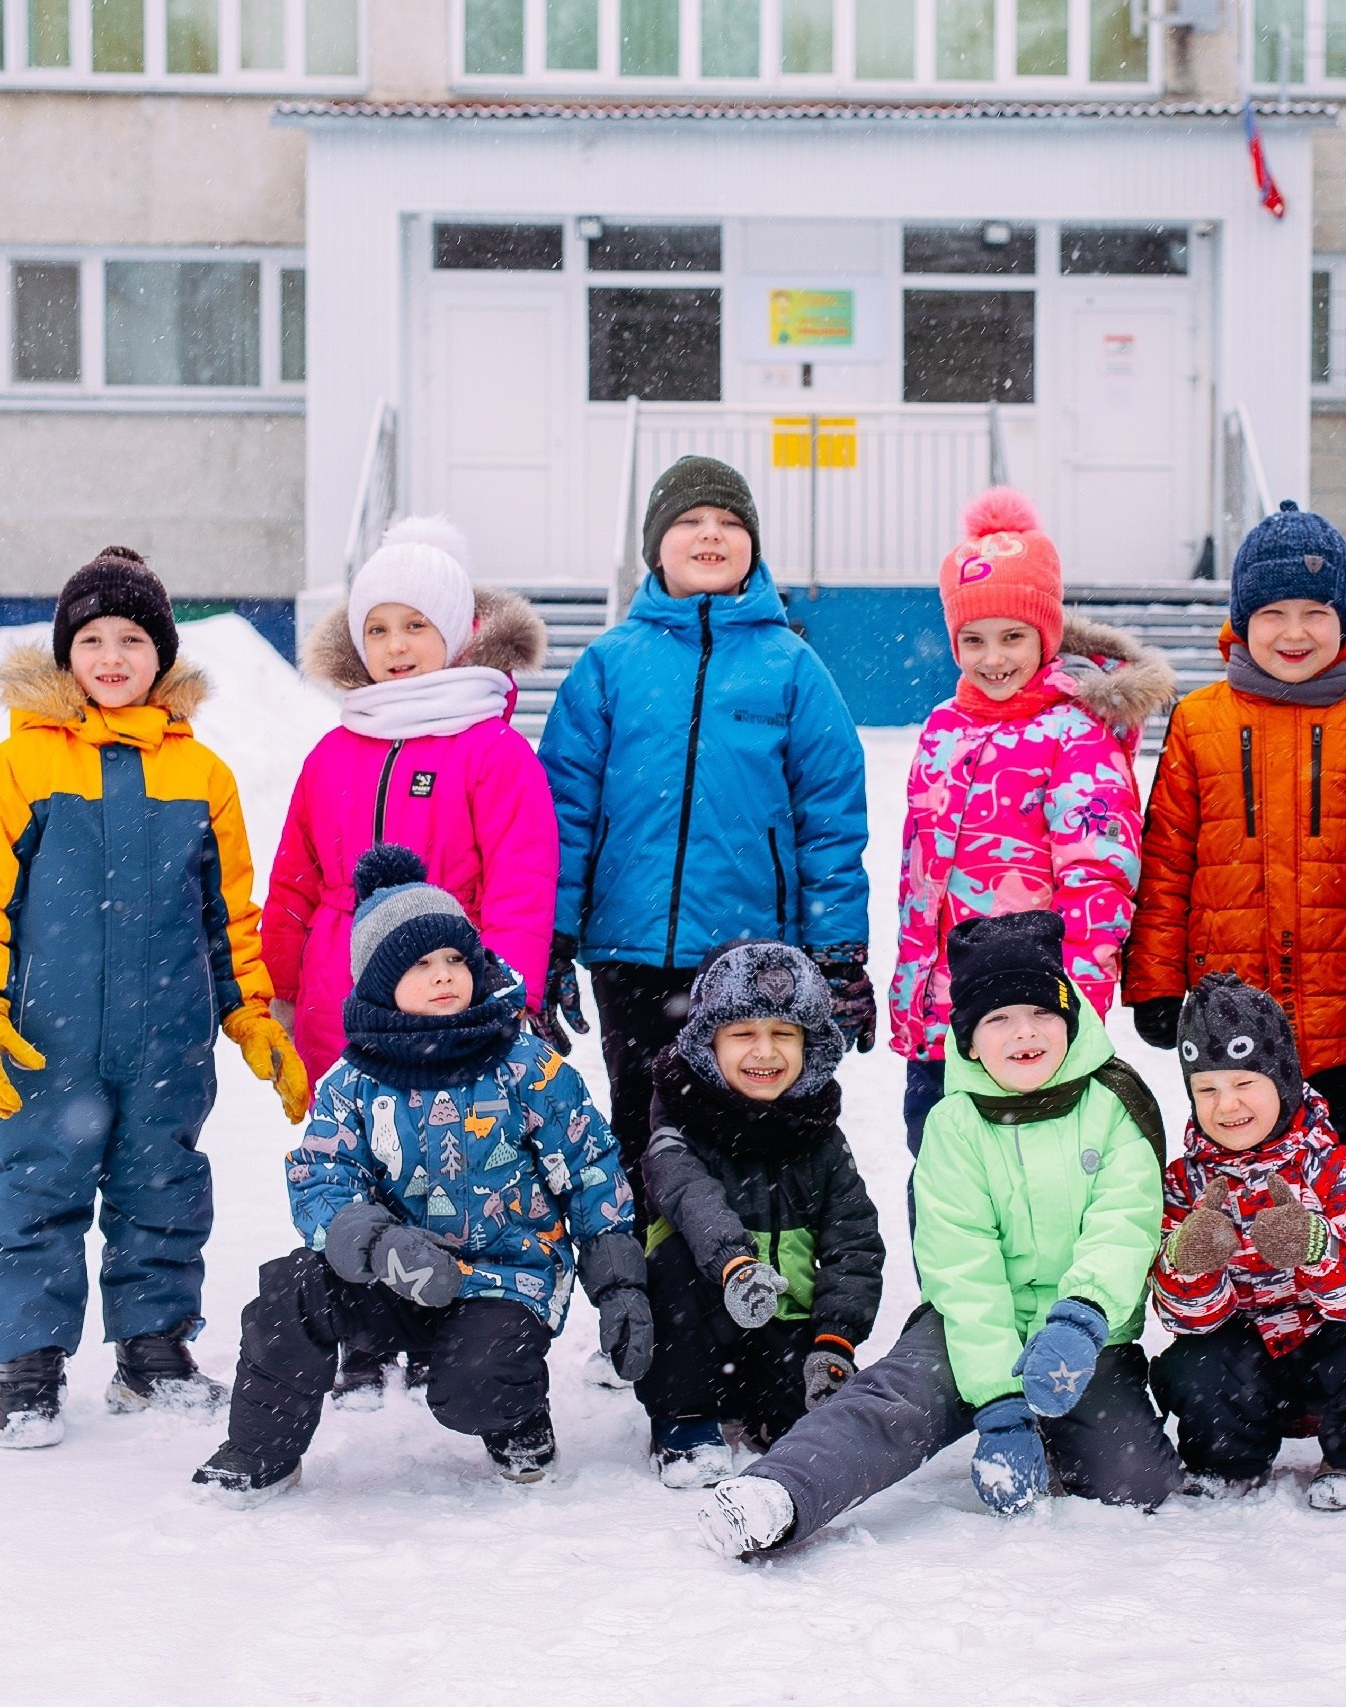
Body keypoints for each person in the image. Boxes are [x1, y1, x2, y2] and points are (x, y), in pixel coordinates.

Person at [0, 547, 303, 1449]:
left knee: (166, 1187)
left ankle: (153, 1353)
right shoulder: (15, 769)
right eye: (93, 638)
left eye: (132, 639)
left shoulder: (202, 776)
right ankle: (27, 1368)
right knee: (33, 1187)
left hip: (169, 1035)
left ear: (161, 657)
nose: (111, 656)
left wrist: (250, 1013)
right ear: (66, 654)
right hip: (47, 1035)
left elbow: (229, 913)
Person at [697, 912, 1181, 1557]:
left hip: (1084, 1330)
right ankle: (780, 1492)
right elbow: (962, 1263)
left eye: (1040, 1013)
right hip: (972, 1324)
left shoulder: (1114, 1104)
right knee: (897, 1400)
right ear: (971, 1041)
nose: (1024, 1032)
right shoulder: (954, 1125)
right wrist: (999, 1403)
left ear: (1069, 1019)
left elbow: (1126, 1225)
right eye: (998, 1019)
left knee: (1135, 1481)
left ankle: (1061, 1430)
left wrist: (1082, 1318)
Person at [191, 847, 650, 1507]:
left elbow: (591, 1169)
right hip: (394, 1272)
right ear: (380, 983)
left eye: (455, 960)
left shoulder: (526, 1066)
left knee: (475, 1385)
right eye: (420, 964)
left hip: (507, 1277)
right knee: (289, 1289)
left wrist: (617, 1280)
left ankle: (515, 1420)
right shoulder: (354, 1082)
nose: (443, 976)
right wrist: (377, 1243)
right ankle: (261, 1450)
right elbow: (322, 1176)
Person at [263, 514, 557, 1404]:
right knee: (360, 1160)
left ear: (457, 632)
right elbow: (296, 880)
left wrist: (504, 992)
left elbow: (520, 880)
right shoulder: (335, 750)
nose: (396, 648)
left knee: (452, 1161)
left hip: (451, 996)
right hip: (340, 1003)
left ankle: (450, 1320)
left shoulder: (492, 750)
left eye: (416, 627)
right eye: (379, 628)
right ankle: (362, 1324)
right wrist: (275, 988)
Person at [538, 457, 873, 1219]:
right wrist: (551, 936)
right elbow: (565, 813)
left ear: (753, 545)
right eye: (689, 521)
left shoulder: (790, 666)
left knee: (748, 1128)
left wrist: (839, 950)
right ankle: (652, 1304)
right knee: (641, 1125)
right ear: (657, 544)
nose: (710, 535)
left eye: (729, 522)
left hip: (751, 958)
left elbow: (830, 820)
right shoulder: (609, 667)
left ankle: (745, 1301)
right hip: (631, 953)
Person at [1125, 502, 1346, 1189]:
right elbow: (1167, 859)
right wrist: (1157, 982)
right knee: (1237, 1197)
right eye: (1272, 614)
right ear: (1241, 622)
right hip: (1231, 1027)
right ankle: (1244, 1301)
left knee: (1345, 1195)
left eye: (1315, 612)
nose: (1294, 633)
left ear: (1345, 622)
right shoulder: (1200, 724)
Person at [889, 487, 1174, 1156]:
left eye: (1013, 637)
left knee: (1031, 1190)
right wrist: (910, 995)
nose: (993, 659)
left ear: (1045, 637)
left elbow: (1098, 881)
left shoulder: (1076, 735)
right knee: (942, 1190)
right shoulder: (942, 729)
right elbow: (919, 879)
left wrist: (1072, 1011)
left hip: (1032, 1023)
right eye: (973, 639)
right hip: (941, 1018)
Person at [1149, 976, 1346, 1511]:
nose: (1226, 1105)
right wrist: (1191, 1266)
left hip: (1331, 1355)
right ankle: (1226, 1463)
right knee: (1194, 1360)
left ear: (1282, 1080)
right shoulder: (1185, 1183)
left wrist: (1316, 1248)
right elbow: (1184, 1319)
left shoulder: (1328, 1164)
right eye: (1207, 1089)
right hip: (1249, 1367)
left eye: (1243, 1083)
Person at [634, 941, 884, 1487]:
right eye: (743, 1034)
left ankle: (776, 1408)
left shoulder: (818, 1135)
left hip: (779, 1322)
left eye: (783, 1034)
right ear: (708, 1044)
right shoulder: (679, 1123)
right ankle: (684, 1419)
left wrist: (835, 1339)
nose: (764, 1052)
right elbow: (690, 1197)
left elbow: (855, 1243)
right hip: (701, 1324)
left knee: (810, 1412)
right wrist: (736, 1266)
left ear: (809, 1045)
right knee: (672, 1259)